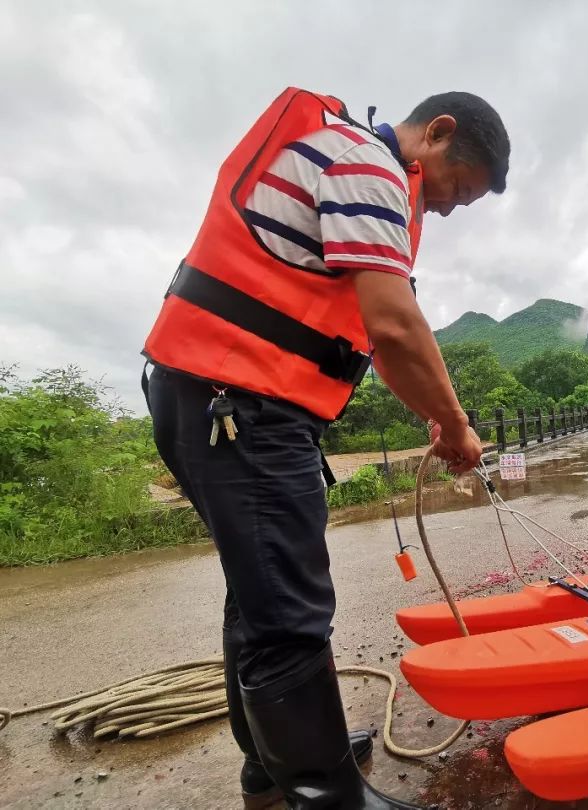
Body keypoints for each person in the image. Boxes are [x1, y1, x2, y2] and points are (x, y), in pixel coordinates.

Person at [141, 87, 510, 809]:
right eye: (455, 191)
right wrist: (456, 425)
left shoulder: (347, 159)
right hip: (237, 400)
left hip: (218, 396)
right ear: (436, 134)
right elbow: (395, 325)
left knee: (260, 597)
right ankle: (327, 795)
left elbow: (373, 333)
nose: (445, 209)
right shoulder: (367, 164)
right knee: (286, 610)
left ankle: (276, 770)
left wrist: (434, 416)